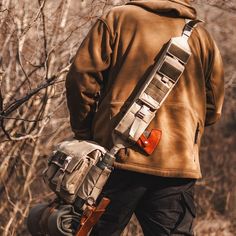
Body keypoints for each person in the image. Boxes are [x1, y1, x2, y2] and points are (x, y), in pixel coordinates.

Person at [65, 0, 224, 235]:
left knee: (92, 231)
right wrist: (187, 131)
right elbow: (214, 106)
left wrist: (86, 133)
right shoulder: (201, 36)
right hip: (176, 165)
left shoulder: (116, 19)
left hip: (115, 159)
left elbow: (81, 80)